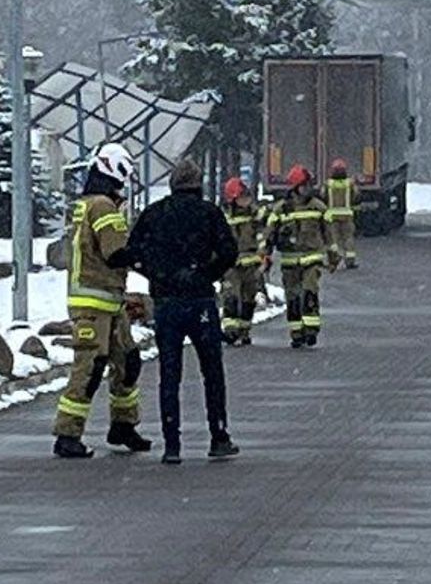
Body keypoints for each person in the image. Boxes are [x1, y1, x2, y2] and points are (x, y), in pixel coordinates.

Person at [126, 158, 240, 465]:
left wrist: (159, 275)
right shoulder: (209, 213)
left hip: (167, 304)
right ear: (198, 184)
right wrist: (205, 274)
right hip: (201, 301)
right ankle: (218, 436)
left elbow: (133, 251)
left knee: (170, 373)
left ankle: (172, 444)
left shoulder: (154, 214)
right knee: (212, 372)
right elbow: (230, 252)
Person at [52, 143, 153, 459]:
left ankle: (123, 425)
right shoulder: (102, 207)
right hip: (93, 304)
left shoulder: (92, 203)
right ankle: (67, 434)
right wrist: (149, 259)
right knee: (90, 367)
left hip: (109, 302)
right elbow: (116, 253)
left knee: (128, 362)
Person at [264, 164, 341, 348]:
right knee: (293, 297)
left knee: (309, 291)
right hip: (289, 262)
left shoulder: (318, 207)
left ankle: (311, 329)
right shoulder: (281, 210)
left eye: (309, 185)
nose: (307, 189)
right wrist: (265, 256)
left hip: (311, 259)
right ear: (295, 187)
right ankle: (296, 332)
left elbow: (329, 234)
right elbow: (269, 234)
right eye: (303, 185)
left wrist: (333, 256)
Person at [220, 176, 267, 347]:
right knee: (231, 296)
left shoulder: (255, 215)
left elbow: (263, 234)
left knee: (249, 299)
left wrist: (263, 255)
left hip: (251, 264)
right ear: (233, 199)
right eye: (242, 197)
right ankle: (230, 331)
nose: (246, 200)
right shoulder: (224, 217)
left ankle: (244, 330)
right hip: (231, 266)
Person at [325, 158, 360, 269]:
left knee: (334, 240)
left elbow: (323, 196)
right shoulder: (349, 184)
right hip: (347, 216)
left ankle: (335, 260)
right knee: (348, 238)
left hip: (332, 216)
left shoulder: (328, 184)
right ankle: (350, 261)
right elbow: (356, 196)